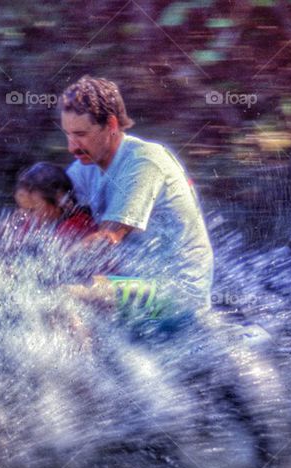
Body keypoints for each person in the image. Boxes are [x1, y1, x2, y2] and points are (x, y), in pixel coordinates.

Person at [58, 75, 214, 327]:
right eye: (67, 135)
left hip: (177, 294)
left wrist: (46, 265)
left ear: (111, 124)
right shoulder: (85, 166)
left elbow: (108, 239)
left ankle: (81, 368)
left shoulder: (144, 162)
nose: (71, 147)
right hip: (130, 282)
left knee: (61, 296)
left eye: (80, 134)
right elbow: (40, 213)